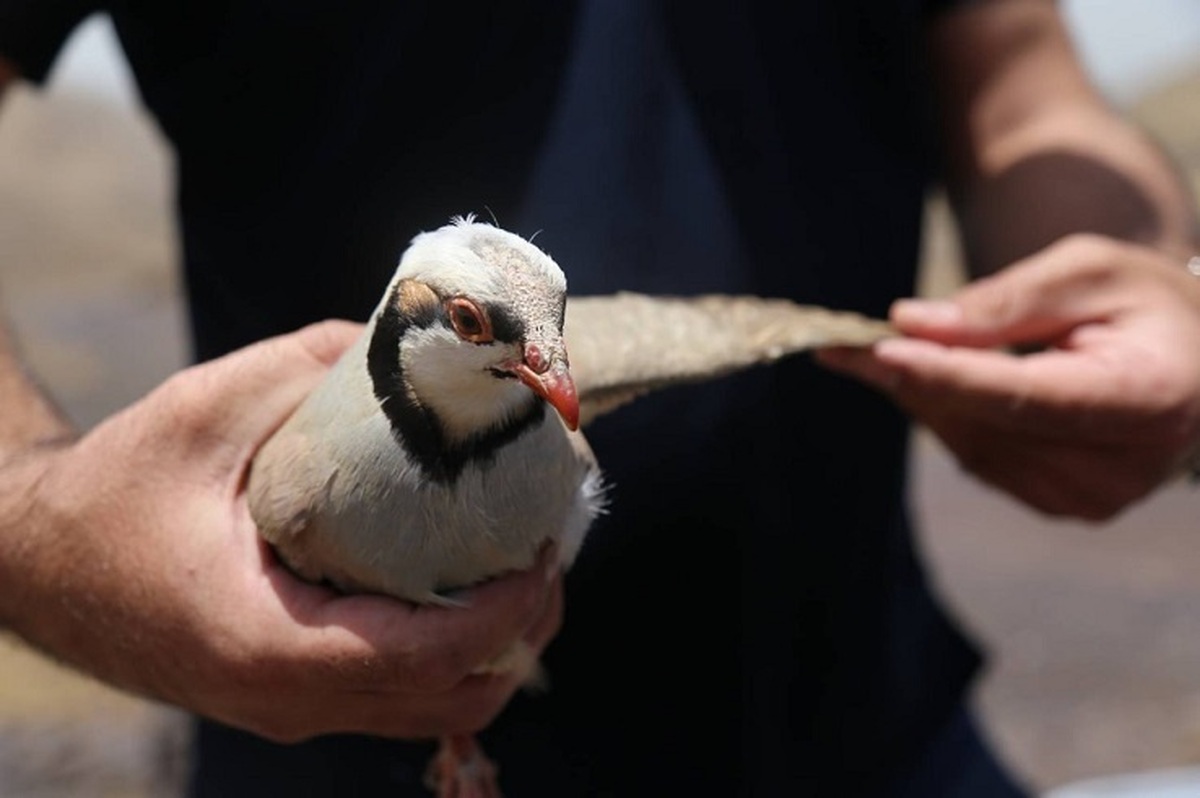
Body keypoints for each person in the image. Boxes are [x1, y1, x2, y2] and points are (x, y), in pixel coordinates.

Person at [0, 0, 1198, 795]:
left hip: (874, 733)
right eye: (479, 331)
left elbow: (1020, 78)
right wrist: (37, 524)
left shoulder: (553, 391)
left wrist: (1139, 293)